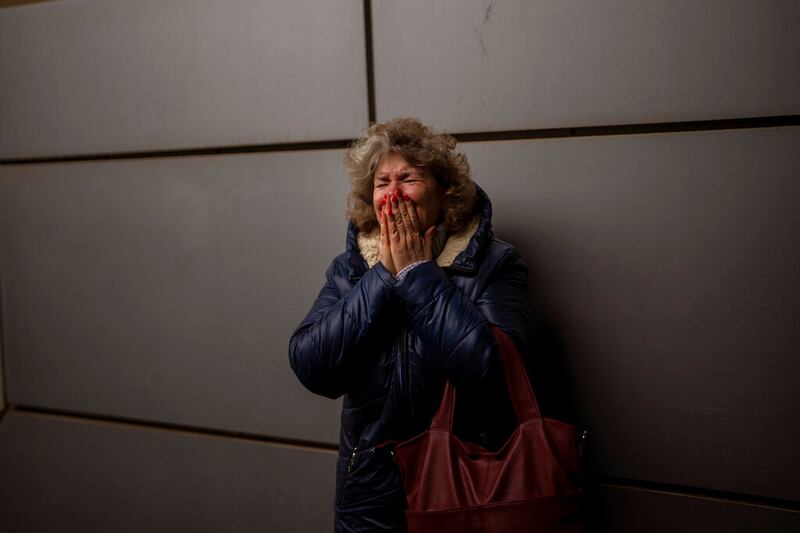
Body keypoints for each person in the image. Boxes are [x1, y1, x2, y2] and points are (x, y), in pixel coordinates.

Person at [289, 117, 531, 532]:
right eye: (382, 183)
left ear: (444, 191)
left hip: (466, 492)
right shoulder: (350, 270)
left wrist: (417, 273)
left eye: (408, 179)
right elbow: (312, 366)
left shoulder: (494, 265)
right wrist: (383, 275)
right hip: (369, 502)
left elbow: (493, 375)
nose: (393, 194)